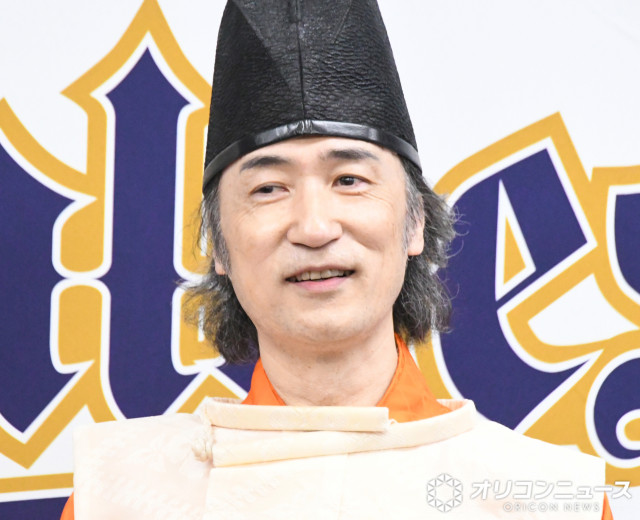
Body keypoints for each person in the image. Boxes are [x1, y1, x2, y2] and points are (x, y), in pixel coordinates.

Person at [62, 0, 613, 518]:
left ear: (415, 222)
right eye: (268, 189)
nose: (314, 227)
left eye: (349, 179)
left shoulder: (546, 498)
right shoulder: (117, 494)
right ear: (218, 244)